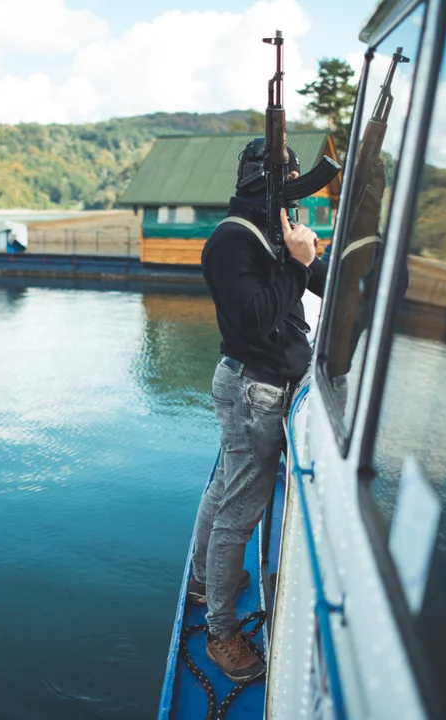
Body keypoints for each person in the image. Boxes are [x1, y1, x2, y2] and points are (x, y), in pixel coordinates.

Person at [189, 138, 328, 682]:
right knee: (238, 516)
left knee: (225, 486)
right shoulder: (230, 242)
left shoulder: (274, 237)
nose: (294, 196)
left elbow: (324, 282)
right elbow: (256, 320)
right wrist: (296, 265)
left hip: (254, 387)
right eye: (288, 184)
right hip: (255, 391)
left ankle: (204, 579)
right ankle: (222, 634)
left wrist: (310, 256)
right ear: (267, 186)